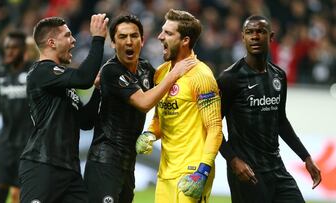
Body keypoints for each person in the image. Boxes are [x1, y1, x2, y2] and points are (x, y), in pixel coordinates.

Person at [82, 14, 197, 203]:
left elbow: (167, 95)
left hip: (128, 164)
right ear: (113, 43)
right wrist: (174, 74)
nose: (129, 42)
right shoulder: (111, 71)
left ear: (142, 41)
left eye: (134, 36)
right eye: (122, 37)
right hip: (105, 162)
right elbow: (144, 103)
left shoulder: (146, 69)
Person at [217, 15, 322, 203]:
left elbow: (280, 121)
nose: (255, 36)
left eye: (260, 32)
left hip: (276, 168)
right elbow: (211, 125)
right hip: (247, 173)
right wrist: (233, 161)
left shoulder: (279, 76)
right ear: (243, 37)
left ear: (271, 37)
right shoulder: (229, 78)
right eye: (249, 32)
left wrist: (305, 157)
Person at [18, 14, 108, 203]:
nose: (73, 40)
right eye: (67, 36)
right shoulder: (41, 71)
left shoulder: (63, 85)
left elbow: (85, 122)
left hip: (70, 171)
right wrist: (98, 39)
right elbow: (84, 78)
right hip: (42, 165)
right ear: (51, 42)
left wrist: (97, 90)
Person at [136, 9, 223, 203]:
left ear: (185, 40)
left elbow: (215, 128)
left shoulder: (202, 76)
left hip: (192, 171)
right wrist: (150, 133)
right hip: (166, 171)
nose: (160, 37)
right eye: (162, 31)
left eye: (168, 33)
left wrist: (203, 171)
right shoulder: (161, 73)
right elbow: (161, 118)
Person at [0, 31, 32, 203]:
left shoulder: (34, 71)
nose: (9, 51)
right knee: (0, 190)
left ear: (23, 49)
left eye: (14, 48)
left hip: (28, 144)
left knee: (21, 194)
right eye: (7, 47)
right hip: (6, 143)